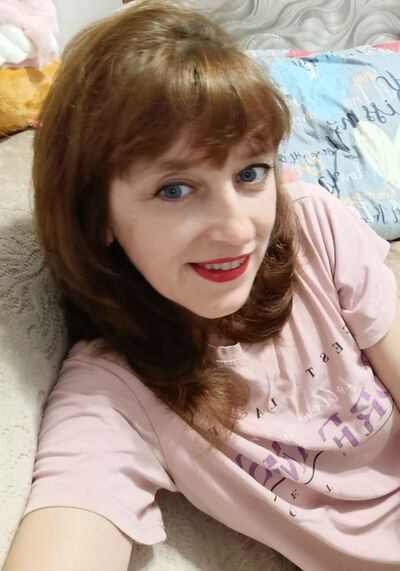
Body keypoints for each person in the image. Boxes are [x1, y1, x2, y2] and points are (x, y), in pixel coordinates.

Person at [4, 1, 400, 570]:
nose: (238, 230)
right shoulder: (116, 392)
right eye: (175, 189)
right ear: (98, 214)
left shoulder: (315, 230)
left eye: (250, 173)